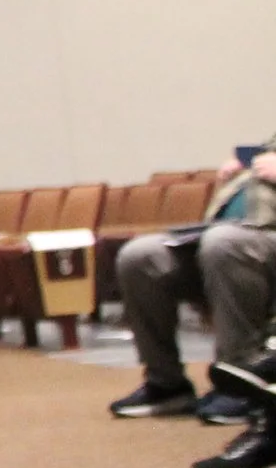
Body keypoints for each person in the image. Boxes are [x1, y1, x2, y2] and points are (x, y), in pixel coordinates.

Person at [109, 139, 276, 427]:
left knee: (223, 244)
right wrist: (241, 171)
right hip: (229, 237)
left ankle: (242, 381)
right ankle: (166, 383)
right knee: (140, 256)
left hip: (252, 241)